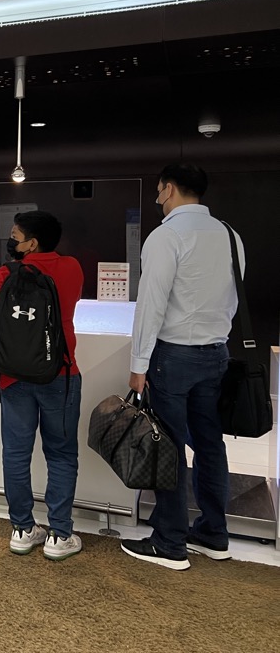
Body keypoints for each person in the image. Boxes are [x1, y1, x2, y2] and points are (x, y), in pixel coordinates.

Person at [121, 164, 243, 571]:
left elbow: (150, 305)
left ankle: (170, 541)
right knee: (210, 444)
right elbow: (232, 295)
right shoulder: (230, 234)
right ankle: (213, 533)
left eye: (158, 190)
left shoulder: (166, 236)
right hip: (216, 353)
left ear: (168, 189)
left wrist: (138, 364)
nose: (158, 198)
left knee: (168, 446)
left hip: (174, 355)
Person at [0, 210, 84, 560]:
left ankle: (22, 529)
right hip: (61, 375)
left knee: (16, 454)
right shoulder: (72, 268)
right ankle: (59, 535)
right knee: (62, 454)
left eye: (16, 236)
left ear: (32, 242)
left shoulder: (6, 273)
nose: (11, 241)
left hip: (12, 377)